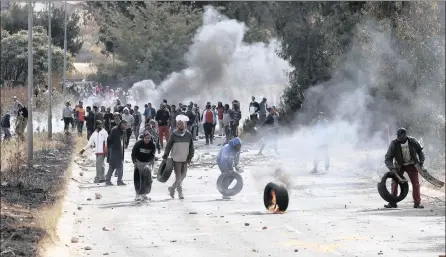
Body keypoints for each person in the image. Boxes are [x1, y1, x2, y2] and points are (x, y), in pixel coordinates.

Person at [384, 128, 425, 209]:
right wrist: (392, 169)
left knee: (416, 183)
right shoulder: (394, 143)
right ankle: (393, 202)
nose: (398, 137)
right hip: (399, 165)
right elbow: (388, 158)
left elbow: (420, 151)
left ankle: (417, 203)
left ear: (405, 135)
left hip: (412, 164)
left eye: (400, 135)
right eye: (397, 135)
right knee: (394, 182)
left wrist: (421, 162)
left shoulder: (412, 141)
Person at [163, 114, 194, 199]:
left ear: (184, 124)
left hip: (185, 158)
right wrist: (165, 155)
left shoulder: (188, 134)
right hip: (176, 158)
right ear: (177, 125)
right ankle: (180, 193)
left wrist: (190, 157)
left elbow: (191, 147)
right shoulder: (173, 134)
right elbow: (168, 146)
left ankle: (172, 188)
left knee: (183, 175)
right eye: (179, 123)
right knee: (179, 177)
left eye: (182, 123)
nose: (181, 125)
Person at [132, 132, 156, 202]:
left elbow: (152, 155)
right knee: (138, 179)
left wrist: (150, 163)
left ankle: (144, 194)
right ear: (143, 138)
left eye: (149, 138)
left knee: (147, 179)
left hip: (147, 163)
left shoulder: (152, 145)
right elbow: (133, 153)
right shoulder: (138, 144)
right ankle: (138, 194)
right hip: (138, 162)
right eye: (146, 138)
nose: (147, 139)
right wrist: (134, 162)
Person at [105, 120, 128, 186]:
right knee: (113, 166)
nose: (126, 127)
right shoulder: (115, 130)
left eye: (126, 125)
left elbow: (121, 142)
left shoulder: (121, 130)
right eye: (125, 125)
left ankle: (117, 181)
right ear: (121, 124)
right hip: (114, 151)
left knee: (118, 166)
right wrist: (119, 155)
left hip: (117, 151)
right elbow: (117, 143)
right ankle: (110, 180)